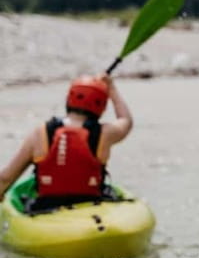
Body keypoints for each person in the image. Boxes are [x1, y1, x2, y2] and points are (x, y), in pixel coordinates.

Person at [0, 74, 133, 211]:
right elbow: (126, 121)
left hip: (47, 208)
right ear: (102, 105)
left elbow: (6, 178)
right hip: (92, 206)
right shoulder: (105, 133)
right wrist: (112, 88)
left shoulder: (40, 133)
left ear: (69, 99)